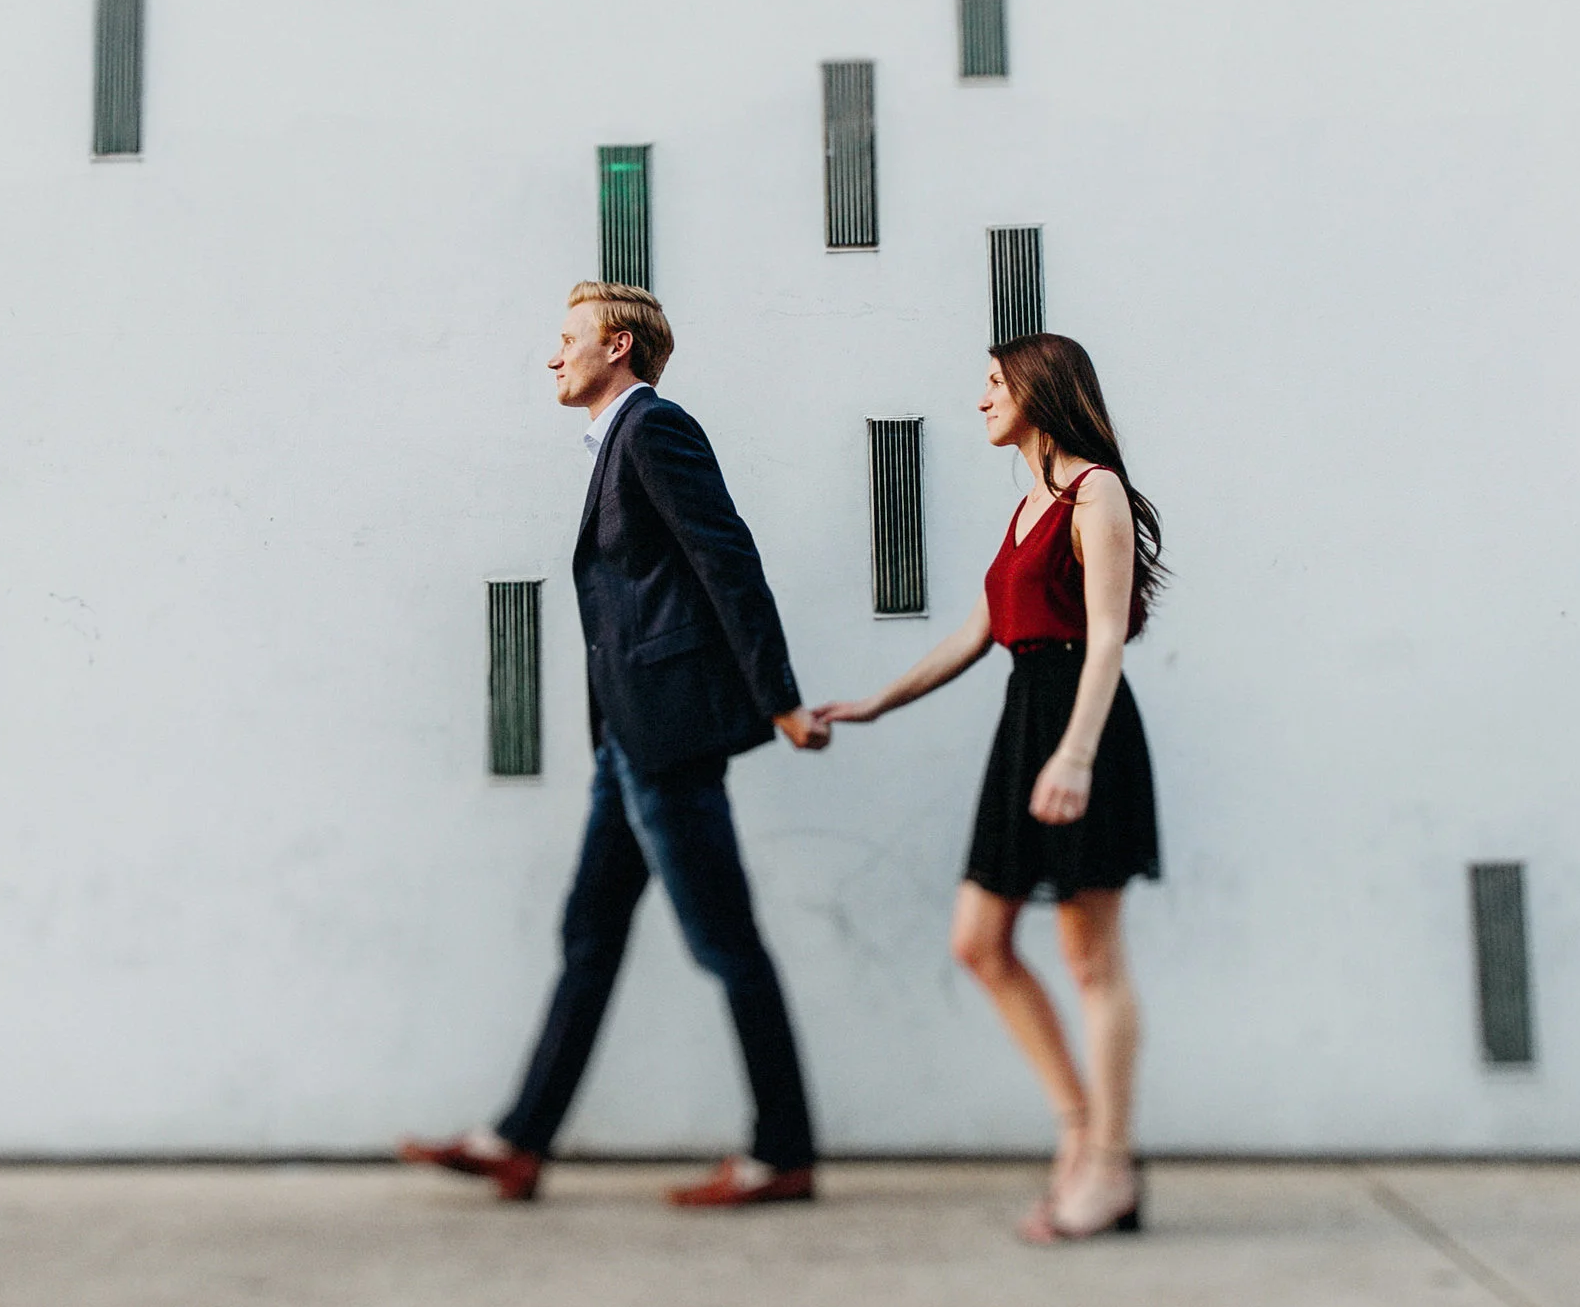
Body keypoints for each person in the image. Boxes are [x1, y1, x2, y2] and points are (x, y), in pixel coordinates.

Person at [402, 282, 832, 1208]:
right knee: (589, 935)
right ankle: (519, 1141)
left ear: (621, 347)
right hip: (627, 741)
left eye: (569, 339)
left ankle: (783, 1152)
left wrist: (780, 700)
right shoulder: (617, 444)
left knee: (725, 943)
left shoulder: (654, 430)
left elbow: (729, 559)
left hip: (666, 741)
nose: (553, 356)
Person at [813, 332, 1165, 1244]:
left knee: (1091, 955)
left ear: (1041, 392)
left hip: (1081, 726)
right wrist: (878, 703)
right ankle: (1078, 1124)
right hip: (1024, 729)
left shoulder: (1097, 493)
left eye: (994, 385)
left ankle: (1111, 1165)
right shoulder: (1024, 508)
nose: (980, 401)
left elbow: (1106, 638)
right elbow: (975, 634)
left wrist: (1078, 754)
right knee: (979, 941)